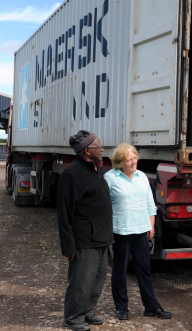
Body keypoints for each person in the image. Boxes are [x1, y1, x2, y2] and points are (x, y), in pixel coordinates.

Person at [104, 143, 172, 320]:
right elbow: (103, 206)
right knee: (120, 270)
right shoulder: (109, 178)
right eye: (130, 159)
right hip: (121, 230)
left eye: (135, 158)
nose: (134, 162)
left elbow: (150, 202)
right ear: (120, 162)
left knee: (144, 269)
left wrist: (152, 225)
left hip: (141, 229)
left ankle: (151, 306)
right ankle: (121, 307)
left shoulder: (141, 176)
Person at [57, 130, 113, 331]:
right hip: (84, 240)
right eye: (99, 147)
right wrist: (68, 246)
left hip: (101, 237)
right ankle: (73, 317)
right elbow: (64, 213)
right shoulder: (72, 174)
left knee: (97, 280)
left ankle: (87, 310)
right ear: (87, 151)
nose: (102, 149)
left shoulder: (95, 169)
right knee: (81, 282)